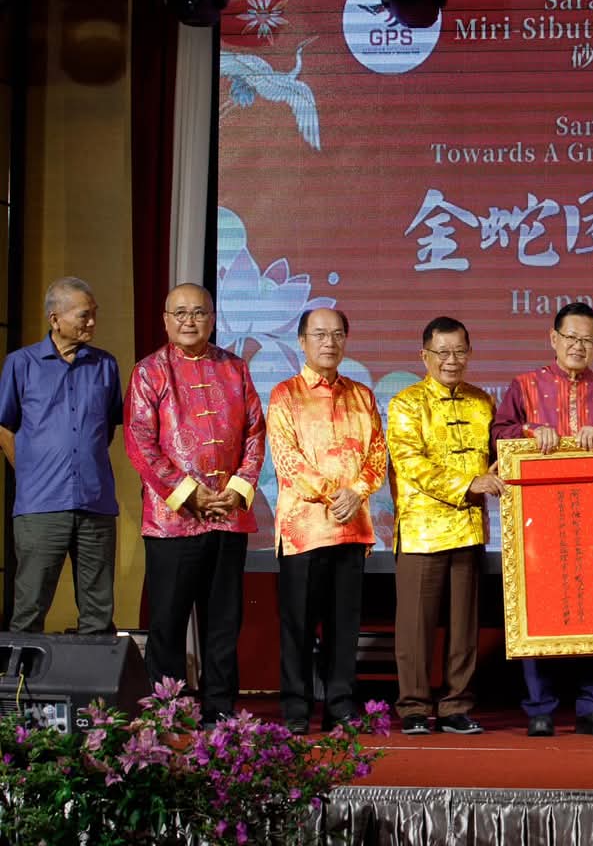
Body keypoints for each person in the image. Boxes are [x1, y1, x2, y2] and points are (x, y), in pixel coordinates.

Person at [124, 283, 266, 725]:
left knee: (223, 622)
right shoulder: (149, 372)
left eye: (199, 312)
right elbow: (140, 443)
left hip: (228, 515)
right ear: (166, 320)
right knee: (168, 620)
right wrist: (189, 493)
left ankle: (219, 709)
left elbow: (255, 433)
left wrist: (237, 490)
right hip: (172, 520)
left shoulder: (235, 368)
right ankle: (167, 712)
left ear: (213, 318)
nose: (190, 321)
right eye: (180, 313)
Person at [492, 301, 593, 738]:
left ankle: (592, 707)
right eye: (570, 337)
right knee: (537, 611)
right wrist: (531, 431)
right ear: (553, 339)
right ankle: (540, 708)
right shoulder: (524, 386)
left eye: (587, 340)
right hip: (538, 522)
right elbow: (498, 434)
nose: (578, 346)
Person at [267, 308, 387, 734]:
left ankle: (339, 705)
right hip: (304, 531)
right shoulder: (285, 394)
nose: (329, 342)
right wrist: (335, 494)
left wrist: (357, 491)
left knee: (344, 626)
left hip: (352, 528)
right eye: (319, 334)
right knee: (298, 625)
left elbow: (378, 454)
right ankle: (297, 708)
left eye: (337, 334)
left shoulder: (362, 396)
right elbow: (287, 459)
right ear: (302, 341)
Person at [387, 315, 504, 735]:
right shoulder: (405, 403)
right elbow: (410, 464)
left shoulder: (482, 401)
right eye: (442, 352)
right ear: (425, 356)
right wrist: (469, 483)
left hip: (469, 529)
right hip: (421, 531)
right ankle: (414, 707)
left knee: (463, 627)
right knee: (415, 627)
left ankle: (456, 705)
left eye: (459, 351)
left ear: (469, 353)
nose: (451, 360)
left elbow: (500, 454)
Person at [0, 277, 123, 634]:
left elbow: (106, 428)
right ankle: (23, 673)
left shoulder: (106, 365)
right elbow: (5, 426)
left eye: (94, 314)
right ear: (55, 319)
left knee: (98, 613)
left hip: (96, 503)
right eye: (84, 315)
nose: (92, 322)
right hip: (40, 505)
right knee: (29, 607)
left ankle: (95, 674)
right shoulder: (21, 364)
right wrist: (28, 469)